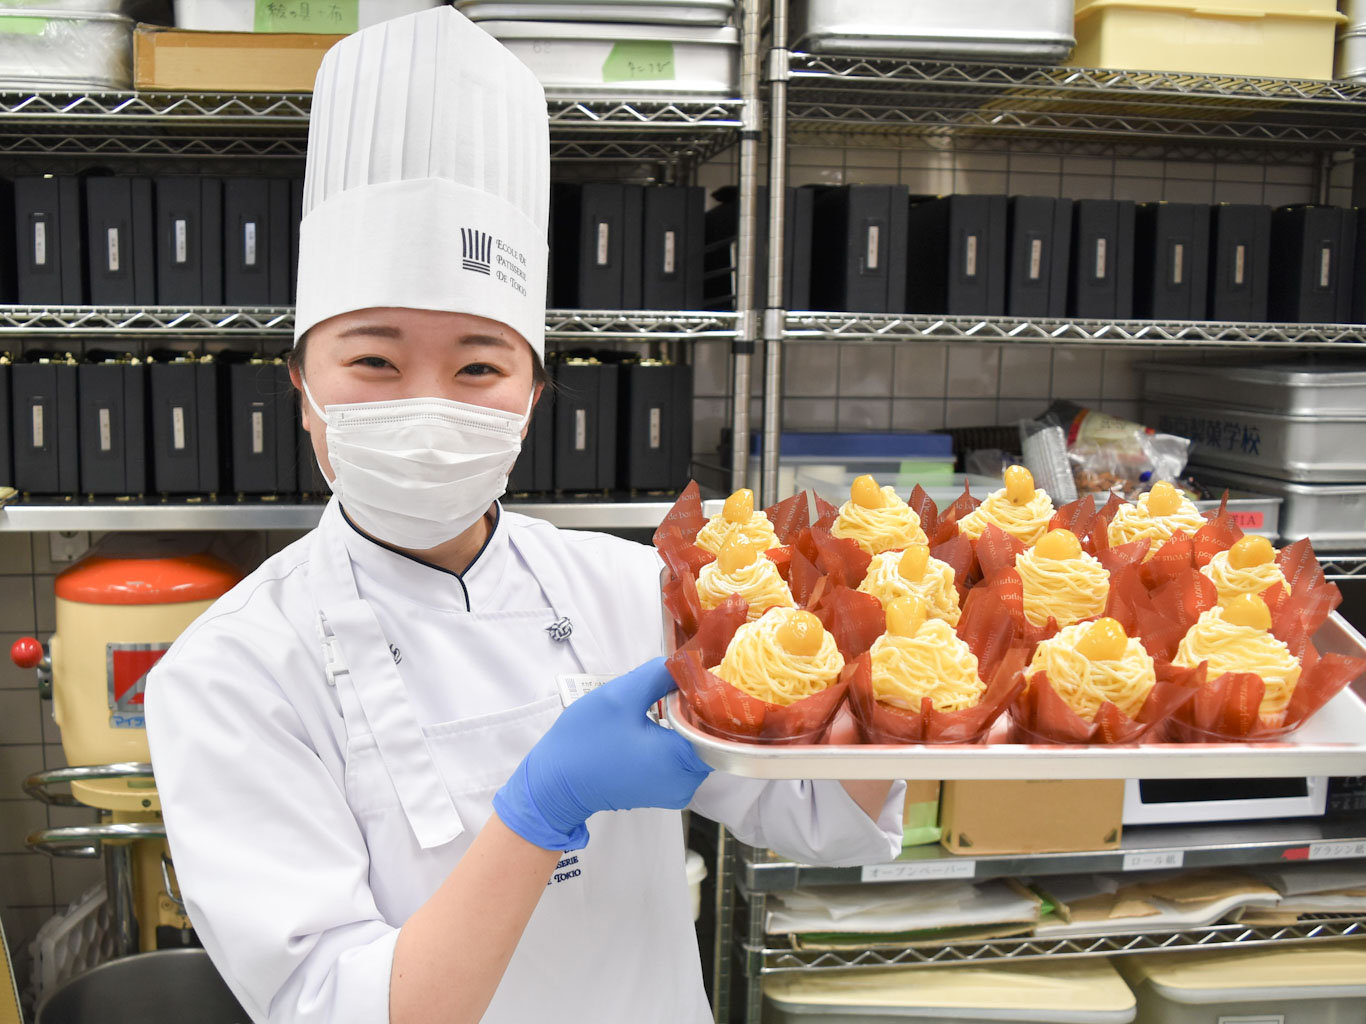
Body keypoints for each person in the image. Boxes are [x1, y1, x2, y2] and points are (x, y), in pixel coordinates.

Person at [144, 9, 905, 1024]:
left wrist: (901, 663)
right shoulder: (232, 672)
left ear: (534, 396)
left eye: (477, 367)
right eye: (373, 360)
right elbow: (330, 1006)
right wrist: (542, 808)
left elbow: (821, 817)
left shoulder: (637, 591)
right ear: (301, 386)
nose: (428, 405)